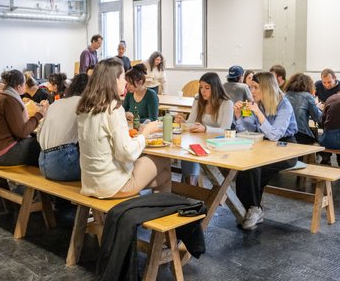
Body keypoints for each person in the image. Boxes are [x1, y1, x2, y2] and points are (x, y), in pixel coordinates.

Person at [76, 58, 171, 198]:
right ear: (113, 80)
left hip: (90, 182)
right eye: (122, 77)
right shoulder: (113, 108)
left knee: (164, 175)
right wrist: (144, 133)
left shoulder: (85, 107)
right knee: (165, 159)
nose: (126, 82)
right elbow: (126, 154)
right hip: (113, 186)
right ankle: (159, 206)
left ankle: (154, 205)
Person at [233, 72, 298, 230]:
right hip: (264, 145)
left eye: (256, 87)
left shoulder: (284, 105)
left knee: (254, 167)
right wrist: (238, 117)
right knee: (245, 167)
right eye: (251, 87)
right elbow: (249, 131)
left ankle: (253, 209)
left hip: (287, 148)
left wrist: (258, 113)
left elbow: (275, 135)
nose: (252, 91)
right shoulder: (257, 103)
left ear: (267, 88)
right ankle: (249, 208)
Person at [0, 69, 48, 166]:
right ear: (18, 86)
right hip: (2, 154)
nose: (25, 86)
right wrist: (39, 114)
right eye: (24, 84)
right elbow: (22, 132)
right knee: (42, 145)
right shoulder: (9, 100)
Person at [175, 72, 234, 184]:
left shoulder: (227, 103)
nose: (203, 91)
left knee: (192, 152)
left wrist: (206, 129)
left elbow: (226, 130)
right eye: (201, 87)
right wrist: (183, 122)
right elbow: (191, 122)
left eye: (207, 88)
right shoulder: (198, 100)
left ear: (216, 88)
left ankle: (190, 185)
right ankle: (190, 185)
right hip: (200, 141)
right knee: (188, 151)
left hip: (218, 144)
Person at [37, 73, 89, 181]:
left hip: (42, 163)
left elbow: (39, 135)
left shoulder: (55, 104)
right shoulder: (84, 105)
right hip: (63, 165)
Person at [314, 68, 340, 167]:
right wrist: (317, 104)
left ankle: (339, 155)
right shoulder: (318, 85)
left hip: (339, 115)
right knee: (325, 129)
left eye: (329, 82)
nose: (327, 85)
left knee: (337, 131)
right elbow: (312, 97)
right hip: (323, 114)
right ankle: (327, 156)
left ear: (335, 78)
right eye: (324, 82)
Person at [284, 73, 322, 145]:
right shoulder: (307, 96)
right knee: (319, 138)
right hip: (301, 134)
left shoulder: (285, 95)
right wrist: (319, 108)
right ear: (308, 85)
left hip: (286, 134)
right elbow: (318, 118)